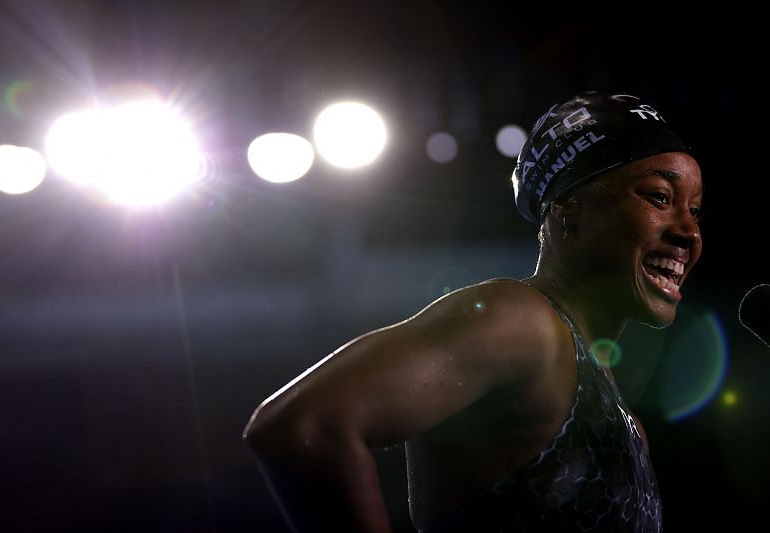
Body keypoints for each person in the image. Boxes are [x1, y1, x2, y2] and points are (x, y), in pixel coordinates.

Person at [243, 91, 703, 532]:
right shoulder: (523, 322)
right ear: (568, 212)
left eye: (696, 211)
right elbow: (304, 426)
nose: (689, 232)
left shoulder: (627, 425)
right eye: (659, 197)